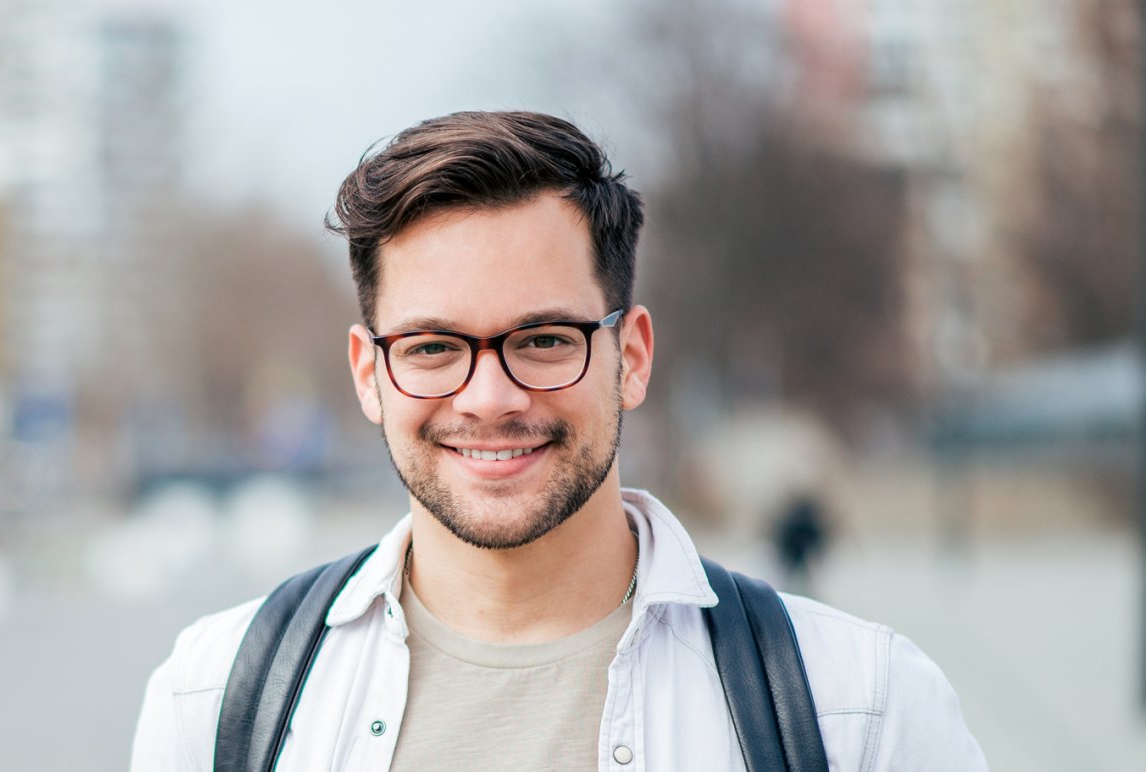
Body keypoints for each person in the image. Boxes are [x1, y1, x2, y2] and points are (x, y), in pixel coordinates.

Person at [131, 111, 985, 770]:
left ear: (632, 357)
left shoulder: (856, 710)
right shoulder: (216, 698)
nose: (489, 398)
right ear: (367, 374)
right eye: (432, 348)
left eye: (542, 339)